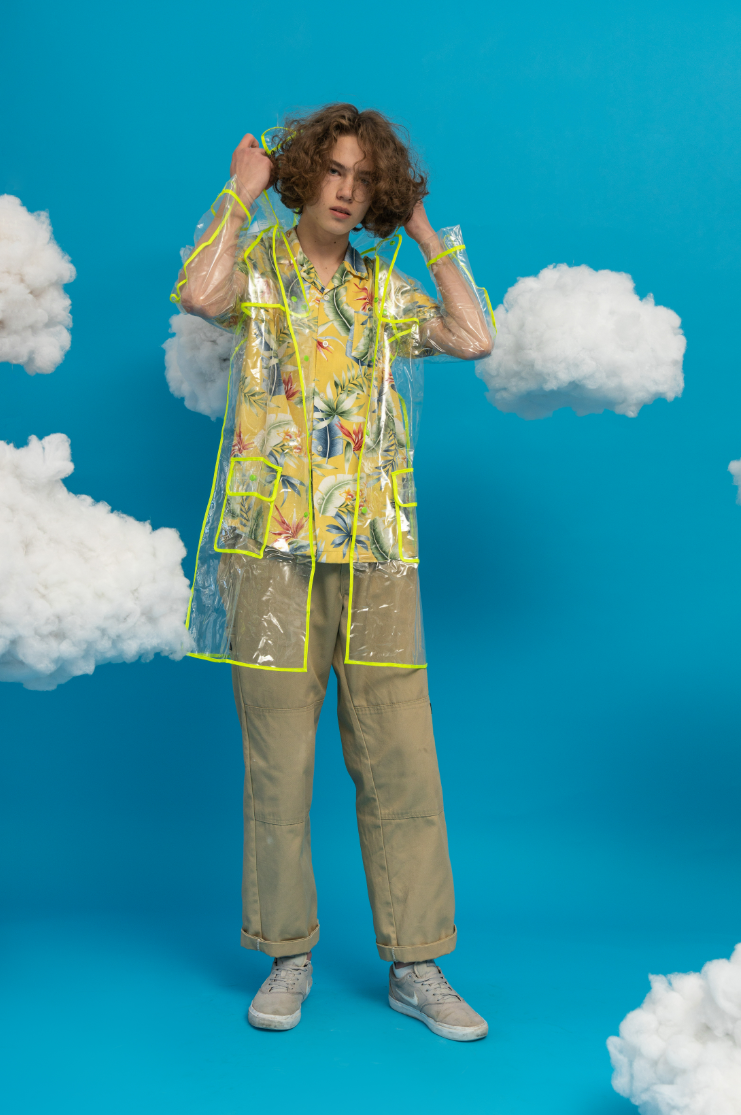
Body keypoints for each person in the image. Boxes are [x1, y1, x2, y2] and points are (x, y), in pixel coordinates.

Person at [174, 103, 494, 1041]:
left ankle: (416, 962)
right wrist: (239, 194)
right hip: (269, 550)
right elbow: (198, 294)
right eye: (335, 171)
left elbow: (473, 336)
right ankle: (287, 955)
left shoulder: (384, 290)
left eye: (366, 179)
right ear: (305, 173)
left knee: (400, 759)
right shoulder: (258, 268)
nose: (348, 191)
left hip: (376, 552)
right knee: (279, 764)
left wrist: (426, 232)